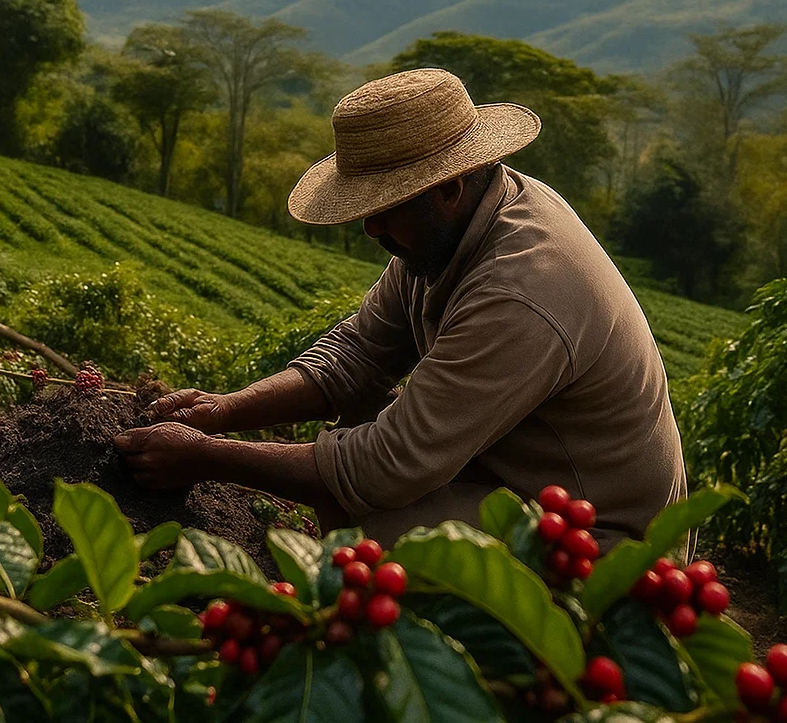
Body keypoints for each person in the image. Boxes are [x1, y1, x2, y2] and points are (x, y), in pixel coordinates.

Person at [113, 68, 687, 548]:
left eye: (386, 206)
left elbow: (385, 466)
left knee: (371, 516)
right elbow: (357, 355)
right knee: (360, 421)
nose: (370, 226)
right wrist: (223, 411)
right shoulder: (450, 230)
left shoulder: (520, 290)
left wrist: (208, 457)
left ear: (448, 187)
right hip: (511, 481)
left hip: (599, 539)